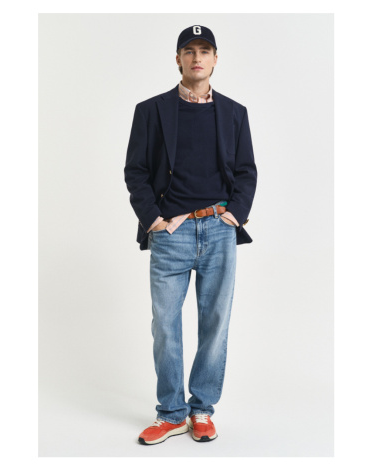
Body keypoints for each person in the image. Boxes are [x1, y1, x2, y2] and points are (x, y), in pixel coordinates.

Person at [124, 25, 258, 445]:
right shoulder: (151, 110)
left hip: (218, 230)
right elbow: (136, 171)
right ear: (178, 59)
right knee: (166, 326)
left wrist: (234, 215)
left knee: (215, 324)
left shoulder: (234, 112)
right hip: (172, 232)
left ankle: (201, 409)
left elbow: (246, 171)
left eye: (205, 50)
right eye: (189, 50)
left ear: (215, 59)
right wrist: (154, 220)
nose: (197, 57)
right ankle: (170, 413)